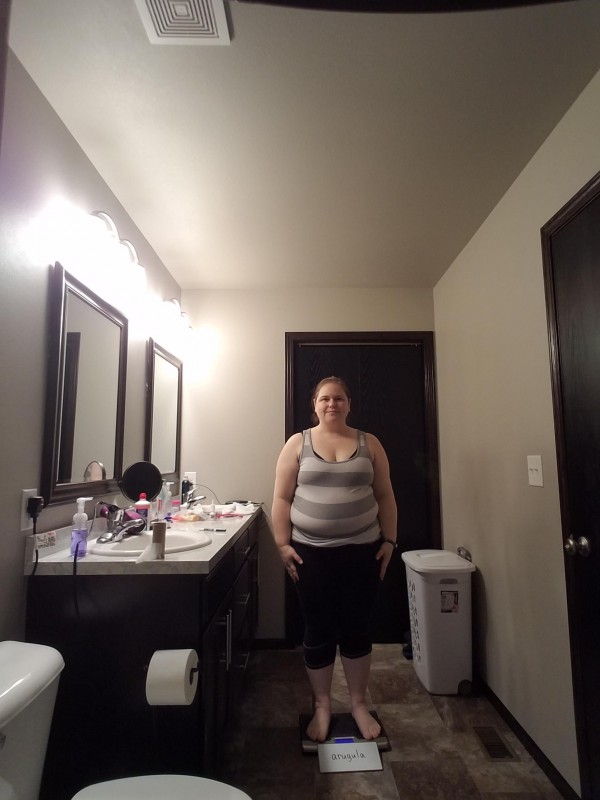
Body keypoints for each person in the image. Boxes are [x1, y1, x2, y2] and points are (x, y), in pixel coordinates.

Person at [271, 376, 398, 743]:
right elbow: (281, 498)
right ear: (315, 404)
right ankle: (323, 705)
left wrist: (390, 540)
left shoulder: (370, 443)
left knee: (357, 627)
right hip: (310, 554)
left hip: (363, 551)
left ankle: (358, 704)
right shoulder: (297, 443)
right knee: (318, 628)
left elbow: (386, 496)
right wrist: (282, 545)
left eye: (338, 398)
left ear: (349, 403)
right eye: (325, 398)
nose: (332, 404)